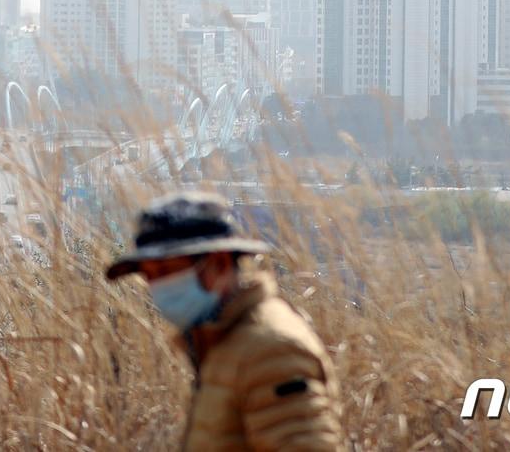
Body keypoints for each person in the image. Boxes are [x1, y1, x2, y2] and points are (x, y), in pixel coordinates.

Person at [106, 191, 343, 451]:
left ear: (218, 264)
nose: (158, 287)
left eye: (166, 271)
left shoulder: (270, 349)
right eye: (149, 275)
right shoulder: (224, 340)